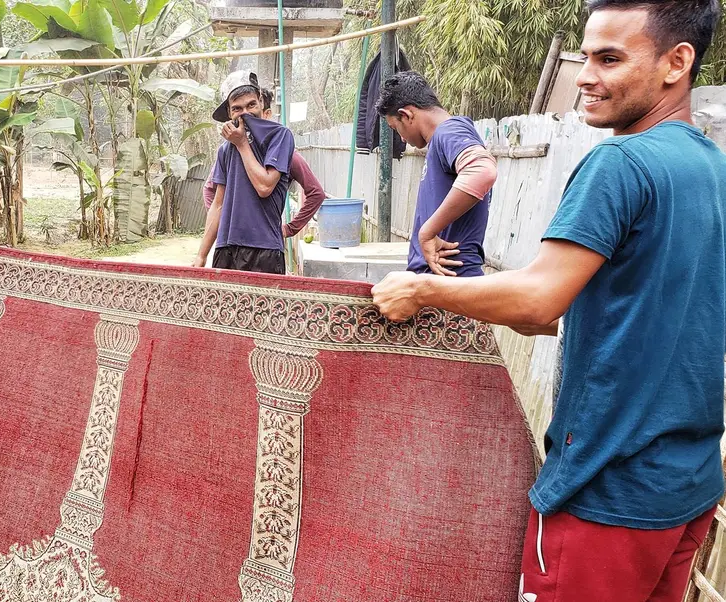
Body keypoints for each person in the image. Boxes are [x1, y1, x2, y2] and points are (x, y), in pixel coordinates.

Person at [371, 1, 725, 600]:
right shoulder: (711, 165)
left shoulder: (619, 164)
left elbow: (539, 300)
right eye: (586, 56)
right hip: (686, 487)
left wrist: (423, 288)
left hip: (607, 490)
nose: (585, 76)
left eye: (609, 59)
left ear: (677, 62)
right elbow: (647, 306)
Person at [376, 72, 497, 277]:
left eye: (396, 128)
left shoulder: (449, 131)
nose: (402, 139)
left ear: (407, 115)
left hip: (450, 279)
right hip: (442, 279)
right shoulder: (442, 140)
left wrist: (427, 232)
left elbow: (482, 170)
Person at [193, 71, 296, 275]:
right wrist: (201, 255)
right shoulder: (225, 150)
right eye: (237, 109)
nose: (245, 113)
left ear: (261, 102)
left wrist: (241, 144)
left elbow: (264, 186)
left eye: (251, 105)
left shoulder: (280, 136)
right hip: (227, 248)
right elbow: (218, 204)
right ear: (229, 113)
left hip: (264, 248)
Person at [203, 89, 327, 240]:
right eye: (238, 109)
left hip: (265, 243)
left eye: (252, 106)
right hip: (232, 243)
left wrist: (289, 229)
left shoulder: (285, 153)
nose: (246, 116)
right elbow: (210, 190)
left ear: (265, 113)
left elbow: (316, 193)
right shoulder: (229, 151)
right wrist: (222, 226)